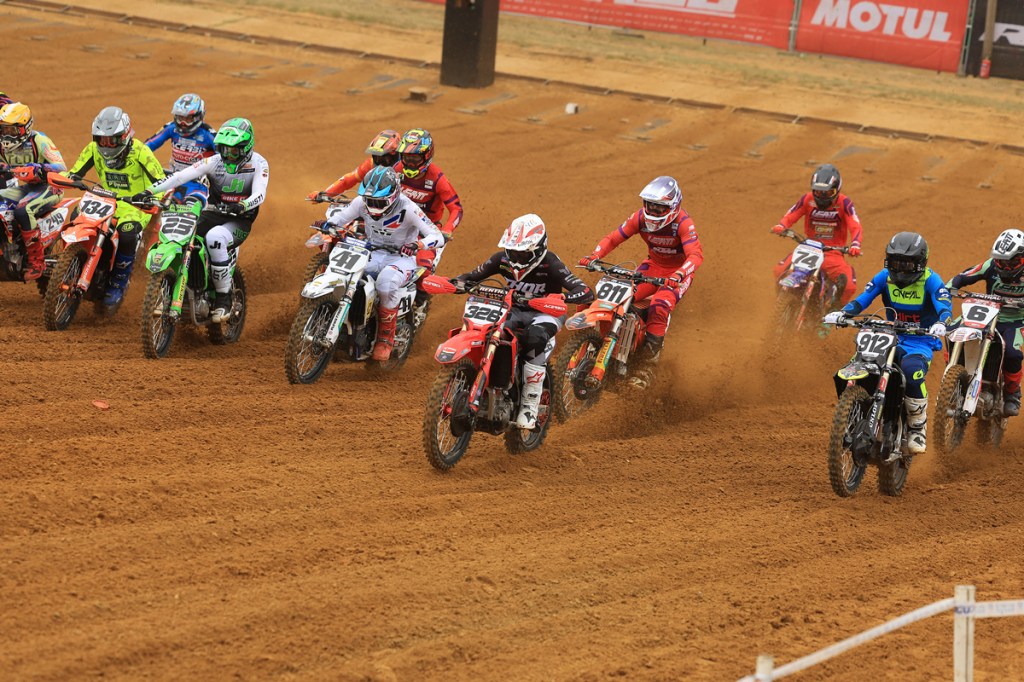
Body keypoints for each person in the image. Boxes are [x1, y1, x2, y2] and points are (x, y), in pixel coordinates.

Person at [454, 213, 594, 429]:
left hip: (546, 313)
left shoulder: (551, 263)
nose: (516, 259)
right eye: (513, 252)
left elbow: (584, 291)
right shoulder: (500, 259)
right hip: (513, 309)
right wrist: (459, 283)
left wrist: (562, 297)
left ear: (538, 249)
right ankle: (488, 384)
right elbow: (472, 276)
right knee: (492, 331)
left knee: (535, 337)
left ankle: (530, 404)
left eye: (522, 254)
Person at [824, 232, 952, 454]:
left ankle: (917, 427)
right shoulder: (884, 277)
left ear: (920, 263)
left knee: (912, 372)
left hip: (920, 339)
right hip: (890, 334)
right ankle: (856, 410)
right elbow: (863, 299)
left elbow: (944, 306)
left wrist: (942, 322)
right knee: (862, 361)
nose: (900, 269)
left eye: (907, 264)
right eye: (895, 262)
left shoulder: (932, 280)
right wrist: (843, 313)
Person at [578, 175, 703, 389]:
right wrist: (595, 255)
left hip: (675, 274)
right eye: (650, 206)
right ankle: (606, 347)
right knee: (619, 300)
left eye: (659, 208)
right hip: (652, 266)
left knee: (659, 306)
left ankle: (647, 367)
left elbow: (696, 256)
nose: (653, 212)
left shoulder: (683, 223)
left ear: (673, 206)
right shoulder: (640, 218)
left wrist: (680, 274)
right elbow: (614, 237)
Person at [139, 117, 267, 322]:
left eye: (233, 150)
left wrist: (242, 205)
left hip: (240, 218)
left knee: (215, 238)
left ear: (246, 148)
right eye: (224, 149)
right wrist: (148, 191)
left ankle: (224, 298)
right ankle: (190, 283)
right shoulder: (214, 162)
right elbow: (179, 177)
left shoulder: (259, 163)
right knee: (187, 234)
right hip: (214, 212)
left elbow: (260, 194)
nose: (227, 155)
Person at [322, 165, 442, 361]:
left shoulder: (408, 207)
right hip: (371, 251)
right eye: (369, 200)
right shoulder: (361, 202)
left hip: (401, 258)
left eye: (379, 201)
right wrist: (327, 224)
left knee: (385, 283)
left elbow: (437, 236)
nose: (372, 206)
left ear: (394, 195)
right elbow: (341, 217)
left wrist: (418, 244)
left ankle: (385, 338)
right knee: (344, 274)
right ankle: (342, 325)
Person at [67, 106, 165, 308]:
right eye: (102, 140)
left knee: (127, 234)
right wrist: (68, 180)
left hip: (136, 206)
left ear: (125, 135)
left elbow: (162, 181)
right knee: (76, 215)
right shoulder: (93, 149)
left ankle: (118, 282)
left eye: (112, 139)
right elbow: (74, 173)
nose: (107, 145)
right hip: (105, 199)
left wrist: (152, 198)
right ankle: (73, 263)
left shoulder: (141, 152)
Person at [946, 229, 1024, 416]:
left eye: (1008, 261)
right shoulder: (990, 266)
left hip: (1015, 320)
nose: (1003, 266)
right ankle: (955, 373)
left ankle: (1012, 392)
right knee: (951, 331)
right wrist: (948, 289)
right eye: (1000, 261)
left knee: (1013, 354)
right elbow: (963, 277)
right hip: (988, 313)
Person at [771, 163, 862, 307]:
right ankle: (781, 301)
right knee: (779, 270)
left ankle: (833, 313)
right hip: (808, 248)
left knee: (849, 285)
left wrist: (855, 244)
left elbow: (855, 224)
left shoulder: (845, 203)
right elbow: (792, 214)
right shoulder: (807, 199)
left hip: (833, 252)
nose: (823, 196)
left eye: (828, 193)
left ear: (837, 190)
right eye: (818, 192)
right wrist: (782, 225)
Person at [0, 102, 67, 280]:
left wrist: (40, 167)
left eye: (12, 131)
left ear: (25, 128)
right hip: (28, 188)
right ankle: (10, 245)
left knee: (23, 210)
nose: (7, 135)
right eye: (3, 130)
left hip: (51, 187)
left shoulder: (39, 140)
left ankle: (37, 262)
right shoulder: (2, 145)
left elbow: (61, 167)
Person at [144, 93, 217, 205]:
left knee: (193, 210)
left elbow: (224, 158)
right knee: (159, 208)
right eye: (180, 118)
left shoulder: (208, 134)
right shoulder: (171, 128)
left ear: (199, 116)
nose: (183, 123)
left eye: (188, 119)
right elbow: (147, 146)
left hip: (197, 184)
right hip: (174, 180)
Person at [307, 129, 401, 200]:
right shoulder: (370, 165)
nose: (377, 160)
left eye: (381, 157)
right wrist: (324, 194)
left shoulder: (406, 166)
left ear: (394, 153)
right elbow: (347, 181)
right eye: (375, 156)